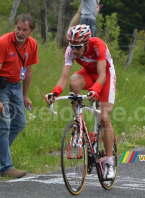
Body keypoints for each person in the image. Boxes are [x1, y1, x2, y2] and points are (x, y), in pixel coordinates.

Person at [45, 25, 116, 179]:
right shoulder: (70, 51)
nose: (74, 50)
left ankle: (110, 163)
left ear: (86, 43)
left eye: (77, 47)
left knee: (104, 118)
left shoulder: (98, 45)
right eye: (72, 46)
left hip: (105, 77)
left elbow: (102, 75)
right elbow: (64, 77)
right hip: (88, 74)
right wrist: (55, 92)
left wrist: (95, 89)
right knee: (74, 82)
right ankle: (78, 123)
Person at [0, 14, 39, 178]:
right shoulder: (3, 42)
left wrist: (25, 96)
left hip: (16, 85)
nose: (20, 33)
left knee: (20, 122)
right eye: (18, 28)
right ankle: (6, 167)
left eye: (25, 30)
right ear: (15, 26)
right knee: (2, 126)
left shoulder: (32, 44)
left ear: (30, 31)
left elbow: (28, 70)